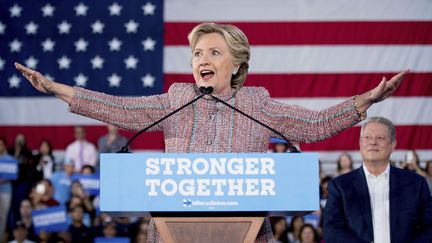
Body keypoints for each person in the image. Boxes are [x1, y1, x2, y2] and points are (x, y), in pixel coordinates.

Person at [15, 22, 407, 243]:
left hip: (247, 233)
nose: (203, 59)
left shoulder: (257, 103)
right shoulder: (176, 98)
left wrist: (366, 101)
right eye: (198, 53)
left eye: (214, 52)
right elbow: (117, 107)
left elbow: (316, 126)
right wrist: (55, 88)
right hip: (173, 233)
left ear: (236, 64)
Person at [323, 117, 432, 243]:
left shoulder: (416, 184)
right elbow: (332, 231)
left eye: (380, 138)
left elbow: (429, 228)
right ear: (360, 143)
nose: (373, 142)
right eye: (367, 137)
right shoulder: (340, 186)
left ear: (393, 145)